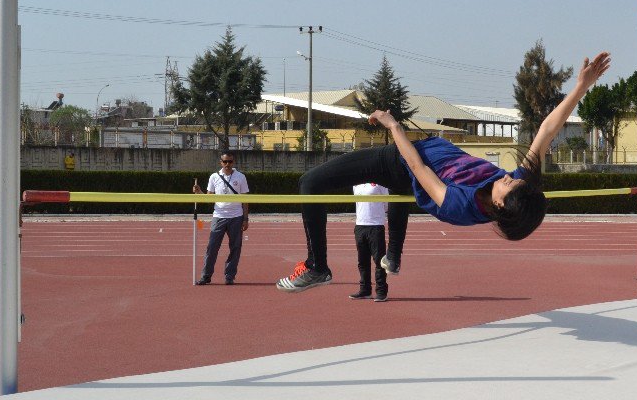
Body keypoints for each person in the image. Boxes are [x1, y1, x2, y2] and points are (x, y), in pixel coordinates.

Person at [275, 51, 612, 293]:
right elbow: (547, 130)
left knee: (310, 182)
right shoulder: (515, 190)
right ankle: (391, 256)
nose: (508, 177)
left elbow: (417, 167)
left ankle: (317, 266)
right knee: (394, 197)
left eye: (508, 186)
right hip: (416, 163)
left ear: (499, 206)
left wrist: (394, 126)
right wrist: (582, 87)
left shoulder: (460, 205)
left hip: (401, 162)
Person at [193, 152, 250, 285]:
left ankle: (229, 276)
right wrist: (199, 192)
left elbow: (246, 199)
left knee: (235, 248)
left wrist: (245, 218)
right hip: (218, 216)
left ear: (233, 162)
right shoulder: (214, 177)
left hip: (236, 216)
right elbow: (209, 198)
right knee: (212, 247)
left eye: (230, 162)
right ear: (221, 162)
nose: (227, 164)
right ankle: (206, 275)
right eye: (225, 162)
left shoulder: (241, 177)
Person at [350, 182, 390, 302]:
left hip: (376, 225)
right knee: (362, 261)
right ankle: (365, 290)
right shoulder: (356, 184)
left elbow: (387, 203)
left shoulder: (380, 182)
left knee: (379, 261)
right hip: (360, 225)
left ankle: (381, 292)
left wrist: (378, 216)